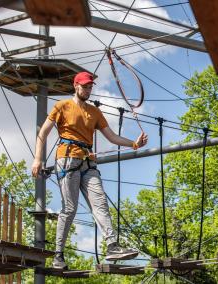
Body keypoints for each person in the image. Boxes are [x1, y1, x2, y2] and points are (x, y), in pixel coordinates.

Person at [31, 71, 148, 269]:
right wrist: (37, 159)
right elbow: (43, 132)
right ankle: (58, 255)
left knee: (100, 202)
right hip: (67, 160)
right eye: (84, 86)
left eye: (90, 86)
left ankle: (112, 246)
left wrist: (134, 144)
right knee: (70, 208)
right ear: (75, 86)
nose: (88, 89)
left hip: (88, 161)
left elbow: (112, 137)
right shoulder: (62, 106)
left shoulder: (94, 112)